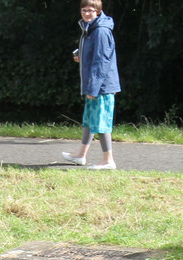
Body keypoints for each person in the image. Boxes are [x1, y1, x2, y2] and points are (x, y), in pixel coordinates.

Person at [61, 0, 121, 170]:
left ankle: (108, 160)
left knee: (101, 123)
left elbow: (101, 62)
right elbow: (94, 55)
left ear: (98, 11)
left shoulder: (100, 31)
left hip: (102, 86)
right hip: (94, 84)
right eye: (84, 10)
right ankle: (80, 155)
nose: (87, 13)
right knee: (89, 120)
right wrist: (81, 55)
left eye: (91, 11)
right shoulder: (90, 28)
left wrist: (93, 89)